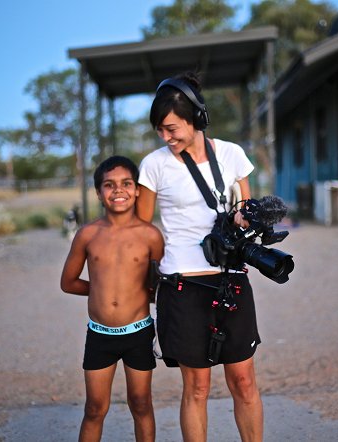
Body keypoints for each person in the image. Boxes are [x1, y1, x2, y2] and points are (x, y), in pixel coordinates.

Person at [136, 72, 263, 442]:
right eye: (160, 130)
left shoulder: (232, 155)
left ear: (197, 118)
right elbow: (142, 231)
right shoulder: (154, 165)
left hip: (231, 279)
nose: (166, 137)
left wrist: (245, 219)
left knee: (244, 381)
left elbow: (246, 209)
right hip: (182, 284)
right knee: (197, 388)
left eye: (172, 128)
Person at [60, 155, 164, 442]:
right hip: (100, 335)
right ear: (98, 192)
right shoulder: (87, 234)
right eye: (109, 185)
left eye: (126, 183)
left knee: (141, 404)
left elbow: (160, 287)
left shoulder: (150, 236)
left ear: (138, 189)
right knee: (94, 408)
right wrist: (100, 292)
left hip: (139, 332)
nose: (118, 190)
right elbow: (67, 283)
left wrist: (140, 293)